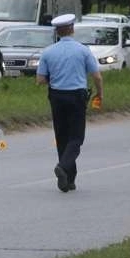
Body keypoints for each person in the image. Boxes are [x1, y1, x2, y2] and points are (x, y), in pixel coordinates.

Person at [36, 13, 103, 192]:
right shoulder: (83, 50)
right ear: (72, 29)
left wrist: (54, 78)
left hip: (57, 97)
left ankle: (69, 180)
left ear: (58, 32)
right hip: (77, 96)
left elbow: (40, 80)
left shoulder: (48, 52)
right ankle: (63, 166)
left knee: (62, 137)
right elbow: (96, 76)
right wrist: (99, 94)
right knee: (76, 138)